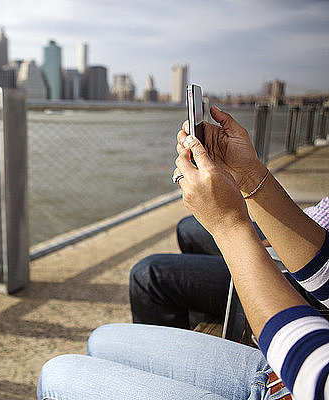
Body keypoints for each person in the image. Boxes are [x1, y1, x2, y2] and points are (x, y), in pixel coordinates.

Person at [37, 105, 329, 399]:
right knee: (101, 339)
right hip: (277, 374)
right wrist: (248, 174)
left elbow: (315, 378)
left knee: (55, 374)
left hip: (299, 371)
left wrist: (229, 226)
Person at [130, 197, 329, 330]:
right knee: (189, 227)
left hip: (315, 277)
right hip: (313, 233)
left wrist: (233, 230)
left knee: (149, 275)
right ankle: (205, 312)